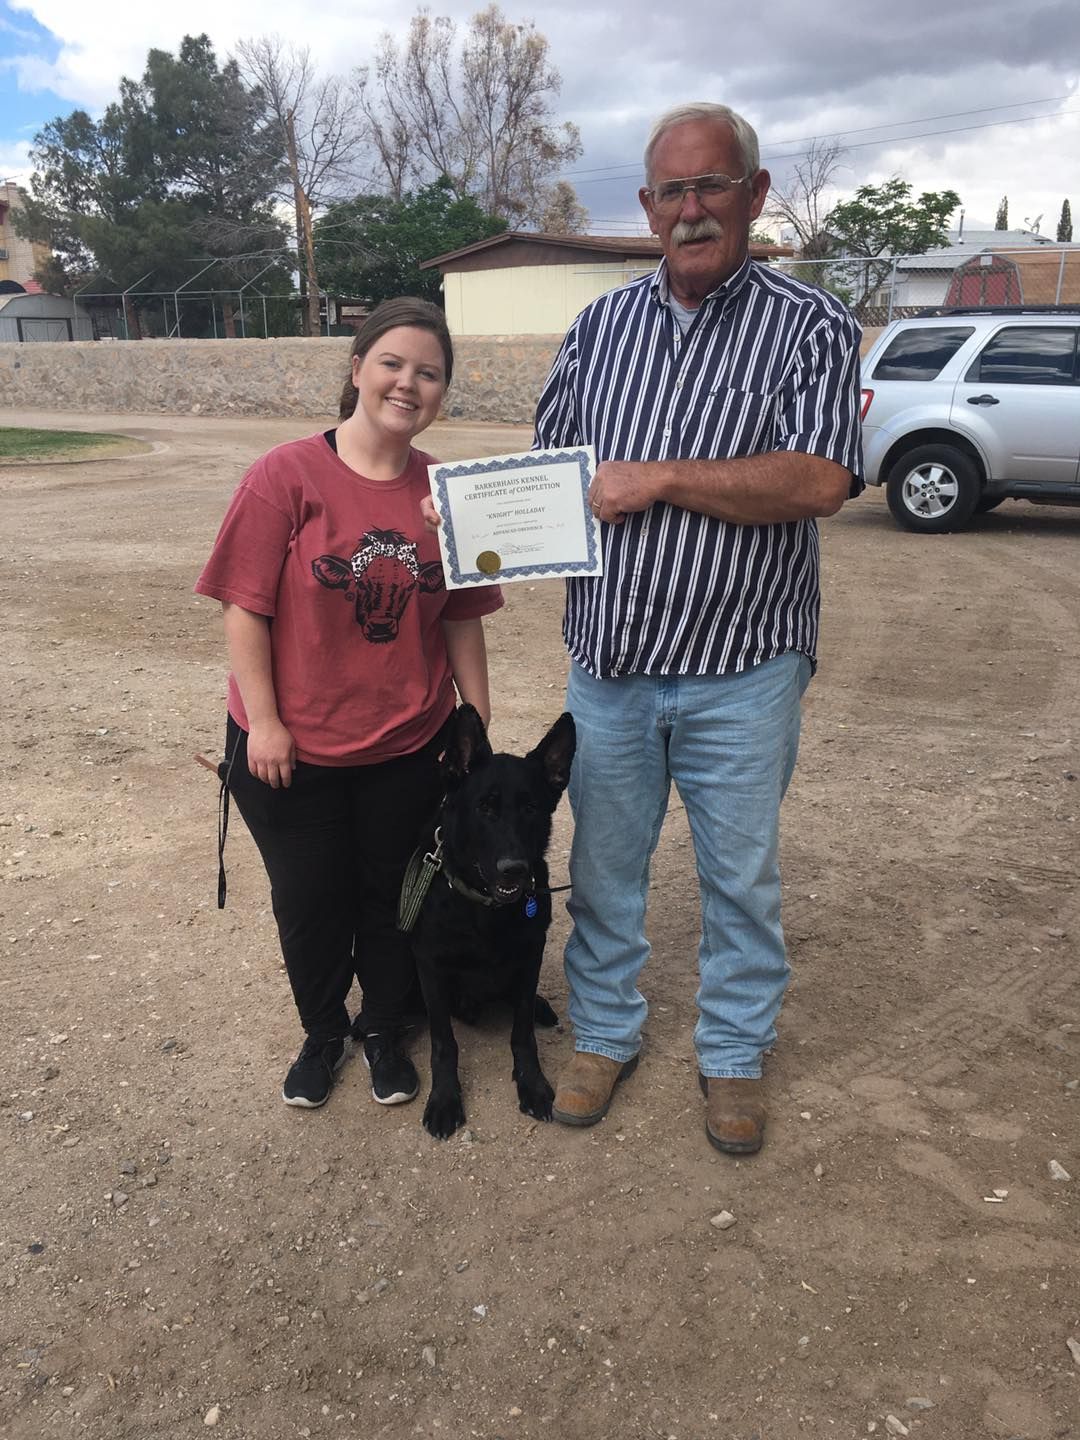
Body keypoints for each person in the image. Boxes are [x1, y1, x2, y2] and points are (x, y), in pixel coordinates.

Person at [534, 102, 864, 1153]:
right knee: (606, 866)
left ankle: (731, 1053)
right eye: (670, 191)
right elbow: (551, 476)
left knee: (740, 874)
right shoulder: (598, 328)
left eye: (711, 185)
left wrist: (665, 476)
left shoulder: (809, 327)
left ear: (754, 195)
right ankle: (606, 1031)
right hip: (614, 663)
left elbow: (818, 479)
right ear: (645, 206)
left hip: (743, 667)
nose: (690, 210)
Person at [195, 297, 503, 1111]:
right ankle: (324, 1029)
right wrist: (263, 720)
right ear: (358, 368)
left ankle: (384, 1029)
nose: (409, 383)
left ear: (442, 392)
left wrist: (475, 727)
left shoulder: (450, 493)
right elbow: (244, 606)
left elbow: (464, 620)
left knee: (392, 897)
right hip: (289, 747)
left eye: (429, 373)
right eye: (393, 364)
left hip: (408, 744)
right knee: (310, 900)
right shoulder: (286, 476)